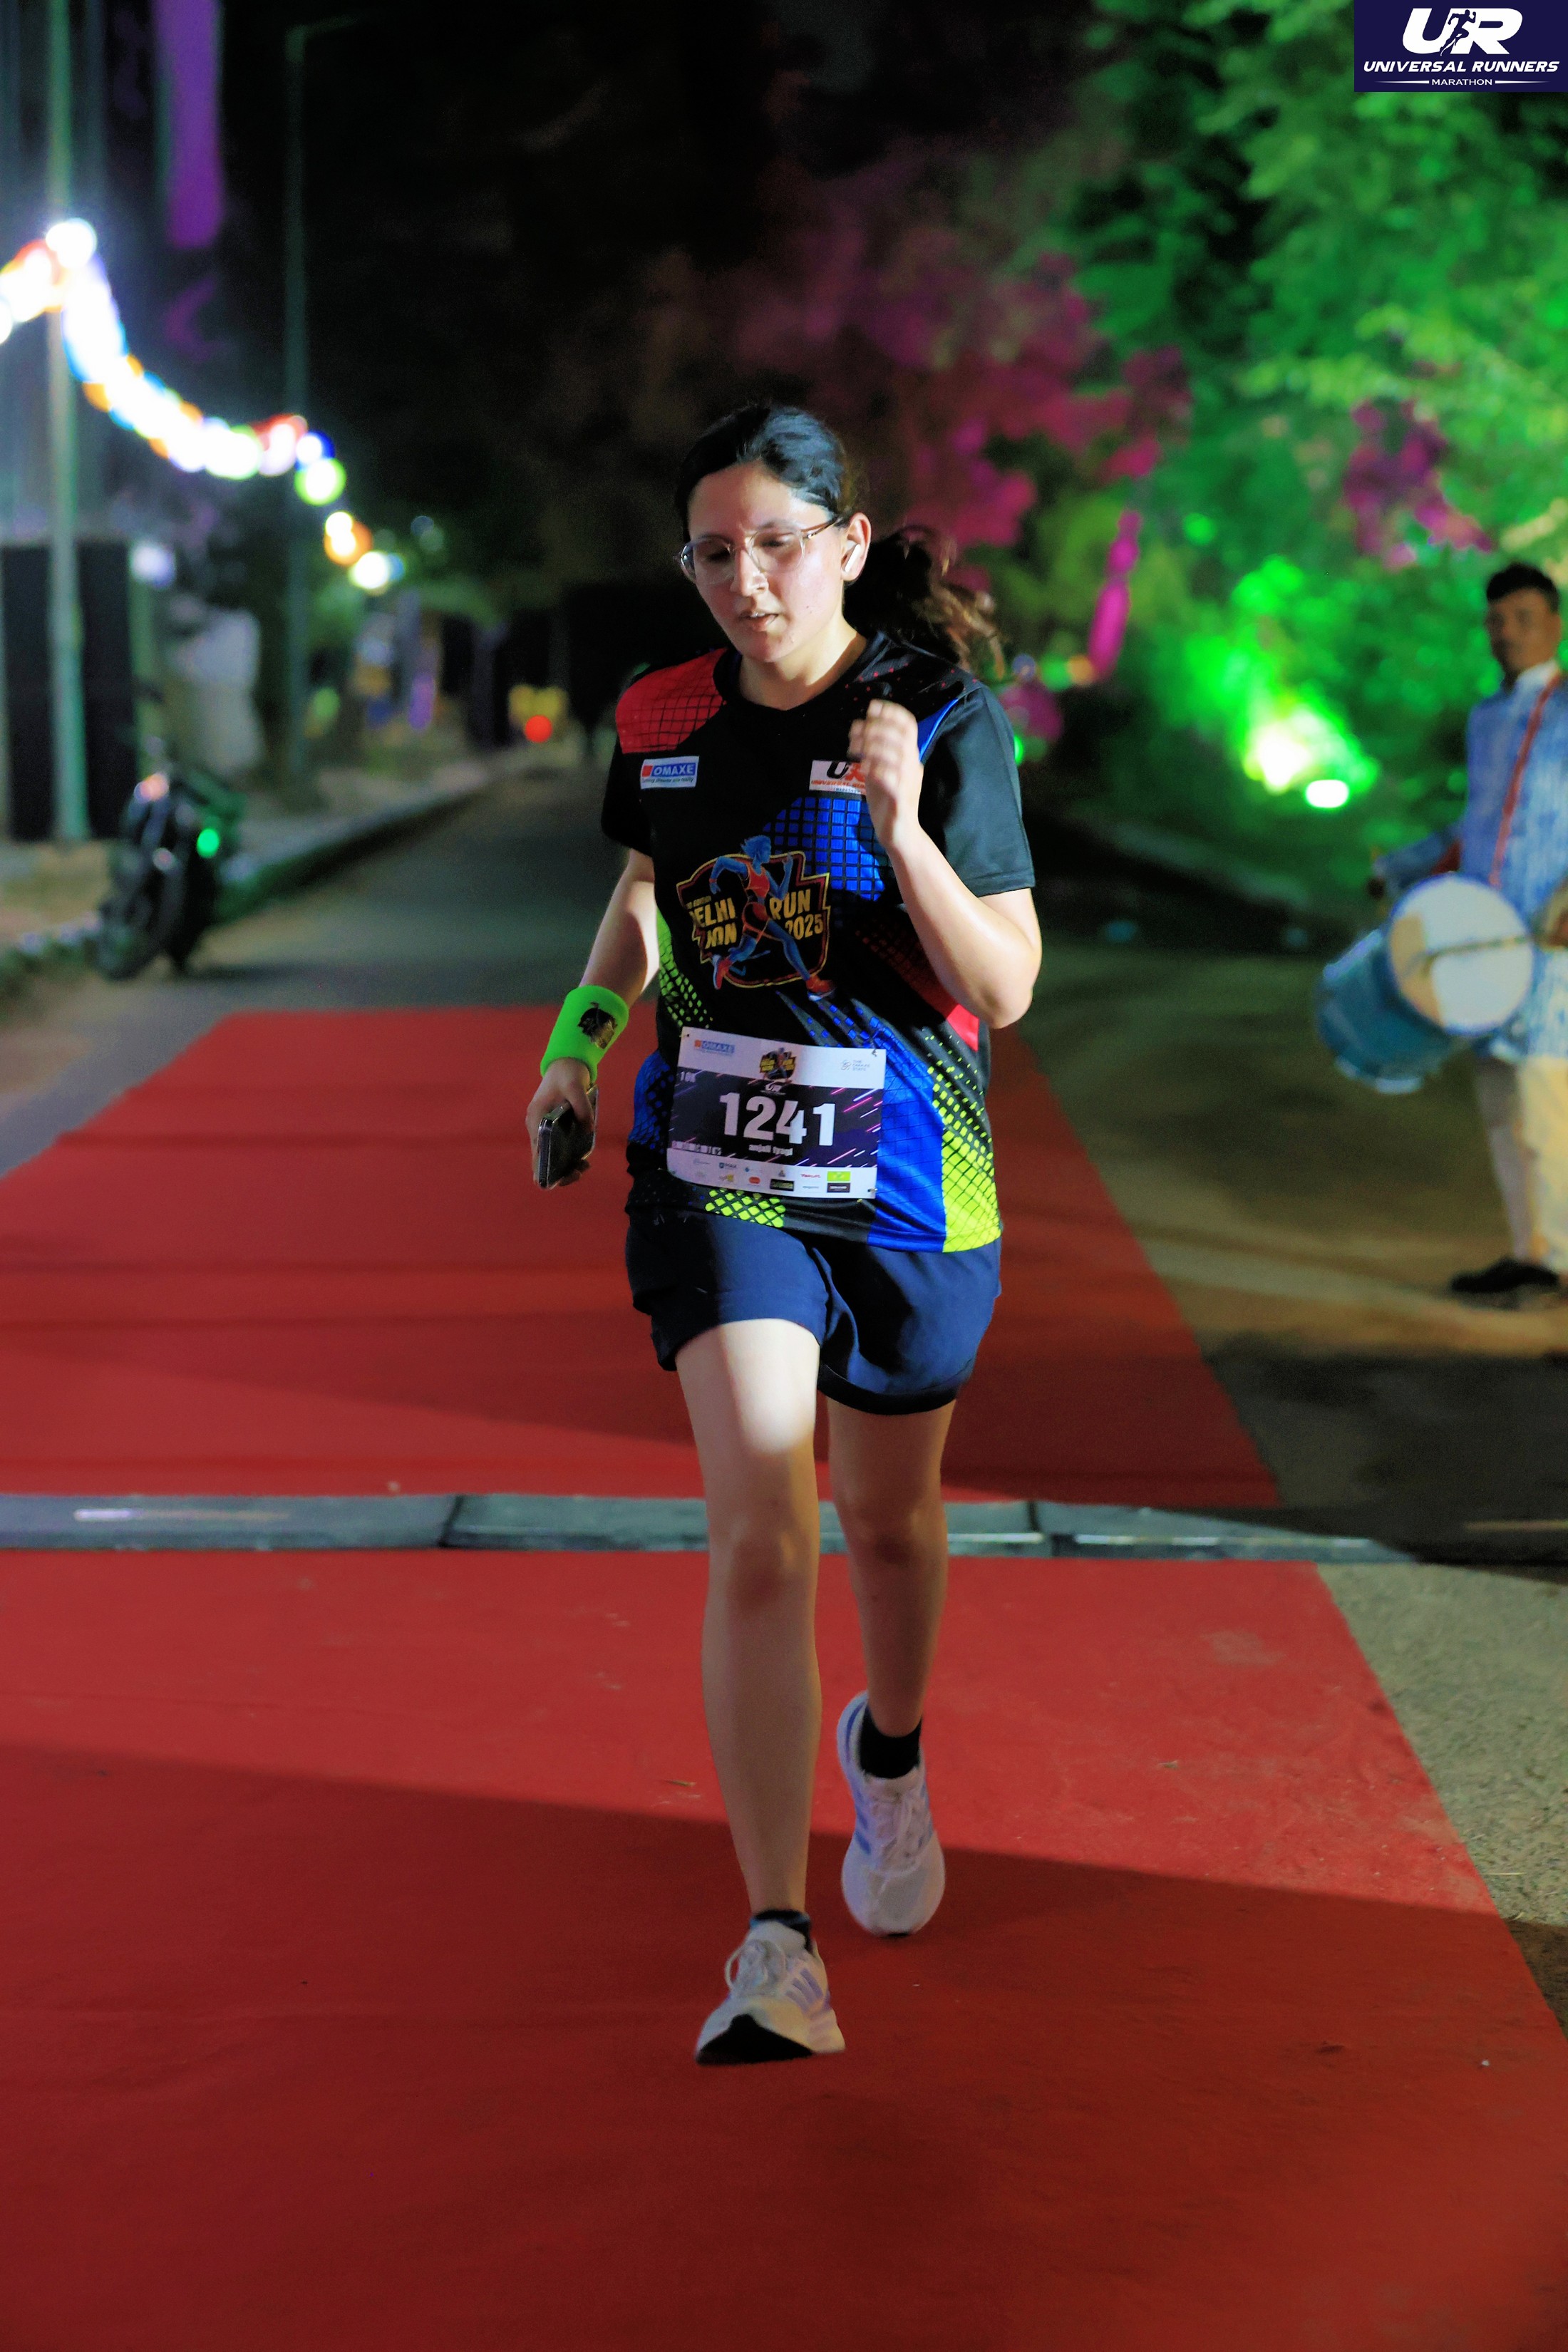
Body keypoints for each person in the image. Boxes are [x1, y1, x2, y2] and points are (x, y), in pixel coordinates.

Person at [526, 404, 1041, 2062]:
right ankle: (774, 1938)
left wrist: (900, 832)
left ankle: (887, 1751)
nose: (742, 581)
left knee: (889, 1523)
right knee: (763, 1521)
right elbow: (640, 895)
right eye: (710, 552)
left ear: (842, 542)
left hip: (908, 1181)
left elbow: (1006, 986)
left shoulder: (936, 714)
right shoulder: (661, 712)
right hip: (718, 1165)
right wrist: (579, 1044)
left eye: (772, 544)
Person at [1378, 560, 1568, 1308]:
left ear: (1554, 625)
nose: (1508, 632)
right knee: (1498, 1098)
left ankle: (1559, 1260)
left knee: (1545, 1092)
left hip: (1552, 941)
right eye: (1497, 620)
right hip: (1486, 936)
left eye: (1524, 618)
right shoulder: (1488, 718)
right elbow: (1473, 823)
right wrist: (1399, 868)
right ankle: (1530, 1252)